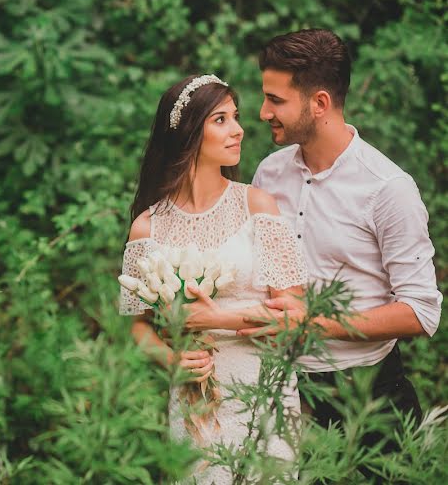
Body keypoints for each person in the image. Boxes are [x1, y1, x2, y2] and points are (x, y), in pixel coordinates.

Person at [243, 28, 441, 438]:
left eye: (276, 100)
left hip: (367, 398)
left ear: (319, 103)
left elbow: (421, 311)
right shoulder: (268, 173)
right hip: (281, 388)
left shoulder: (388, 188)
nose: (263, 112)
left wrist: (313, 323)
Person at [119, 73, 308, 484]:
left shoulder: (257, 205)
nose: (238, 129)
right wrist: (171, 360)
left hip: (261, 392)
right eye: (221, 119)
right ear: (188, 132)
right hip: (193, 404)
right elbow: (137, 327)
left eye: (236, 117)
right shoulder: (148, 227)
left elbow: (295, 314)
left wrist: (216, 320)